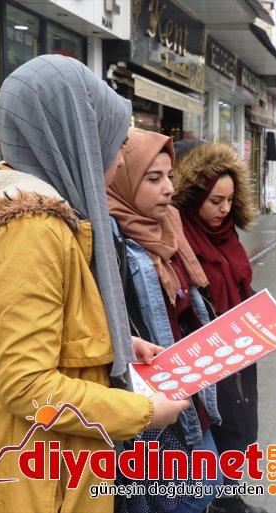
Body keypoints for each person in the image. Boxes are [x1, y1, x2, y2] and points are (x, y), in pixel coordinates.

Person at [0, 55, 188, 513]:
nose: (121, 153)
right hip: (33, 484)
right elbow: (27, 384)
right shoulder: (31, 229)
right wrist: (142, 414)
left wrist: (117, 342)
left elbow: (20, 338)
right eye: (112, 137)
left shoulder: (36, 218)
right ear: (72, 135)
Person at [107, 128, 222, 513]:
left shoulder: (169, 228)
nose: (169, 189)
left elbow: (187, 312)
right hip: (151, 408)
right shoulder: (107, 245)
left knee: (203, 489)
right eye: (154, 178)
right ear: (123, 178)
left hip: (190, 391)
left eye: (169, 176)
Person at [171, 140, 267, 513]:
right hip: (208, 356)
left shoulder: (229, 233)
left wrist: (268, 313)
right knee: (217, 428)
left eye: (230, 200)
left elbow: (241, 285)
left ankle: (229, 497)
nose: (224, 209)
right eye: (215, 201)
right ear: (193, 197)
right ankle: (219, 502)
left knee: (242, 427)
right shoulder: (179, 237)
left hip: (240, 352)